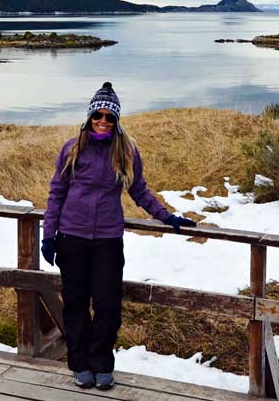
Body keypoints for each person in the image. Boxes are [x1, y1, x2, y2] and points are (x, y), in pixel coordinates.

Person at [40, 81, 196, 390]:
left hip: (108, 240)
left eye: (109, 117)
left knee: (108, 305)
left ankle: (102, 365)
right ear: (88, 117)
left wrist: (166, 216)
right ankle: (80, 363)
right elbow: (56, 194)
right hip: (72, 236)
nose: (103, 122)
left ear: (117, 121)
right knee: (75, 303)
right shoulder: (72, 149)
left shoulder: (125, 151)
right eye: (98, 115)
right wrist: (49, 235)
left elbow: (139, 190)